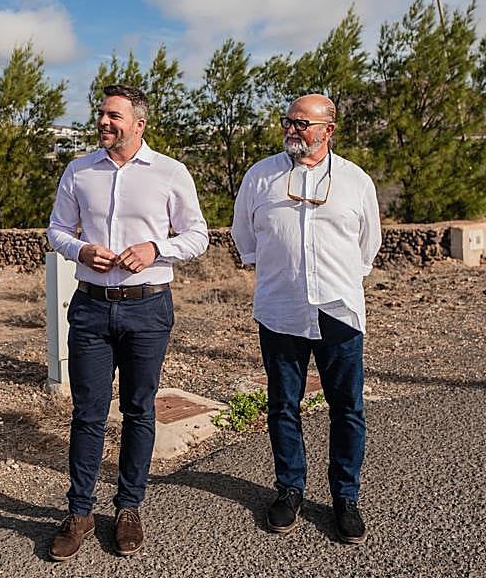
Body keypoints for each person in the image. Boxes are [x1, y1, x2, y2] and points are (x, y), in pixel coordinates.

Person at [46, 84, 209, 560]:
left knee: (139, 410)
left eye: (114, 116)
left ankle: (129, 507)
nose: (104, 122)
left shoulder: (170, 173)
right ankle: (79, 512)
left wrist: (157, 248)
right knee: (88, 413)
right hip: (92, 307)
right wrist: (81, 249)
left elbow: (198, 235)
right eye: (100, 114)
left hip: (148, 307)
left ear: (139, 124)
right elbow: (56, 230)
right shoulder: (78, 171)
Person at [231, 93, 382, 545]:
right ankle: (290, 488)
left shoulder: (355, 181)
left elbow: (367, 246)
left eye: (302, 123)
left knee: (347, 408)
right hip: (281, 310)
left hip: (339, 310)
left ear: (328, 131)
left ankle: (345, 497)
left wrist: (338, 280)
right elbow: (245, 236)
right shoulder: (261, 176)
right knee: (283, 406)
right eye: (288, 121)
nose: (291, 129)